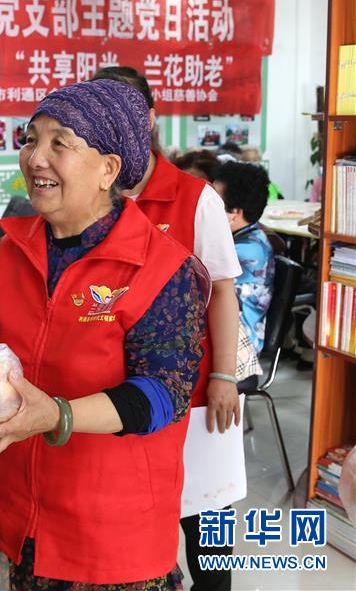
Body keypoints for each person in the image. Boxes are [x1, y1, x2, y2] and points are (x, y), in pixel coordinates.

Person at [0, 80, 209, 589]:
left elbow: (166, 393)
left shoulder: (163, 268)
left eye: (60, 142)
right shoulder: (7, 253)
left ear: (109, 169)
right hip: (16, 511)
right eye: (31, 139)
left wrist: (59, 414)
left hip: (109, 533)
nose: (36, 157)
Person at [94, 66, 243, 591]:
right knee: (131, 544)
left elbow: (222, 290)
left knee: (209, 540)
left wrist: (224, 375)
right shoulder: (91, 197)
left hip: (197, 394)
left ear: (151, 119)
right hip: (115, 400)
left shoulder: (194, 197)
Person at [213, 162, 275, 356]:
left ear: (235, 213)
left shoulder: (247, 251)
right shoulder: (244, 237)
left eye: (214, 202)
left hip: (239, 348)